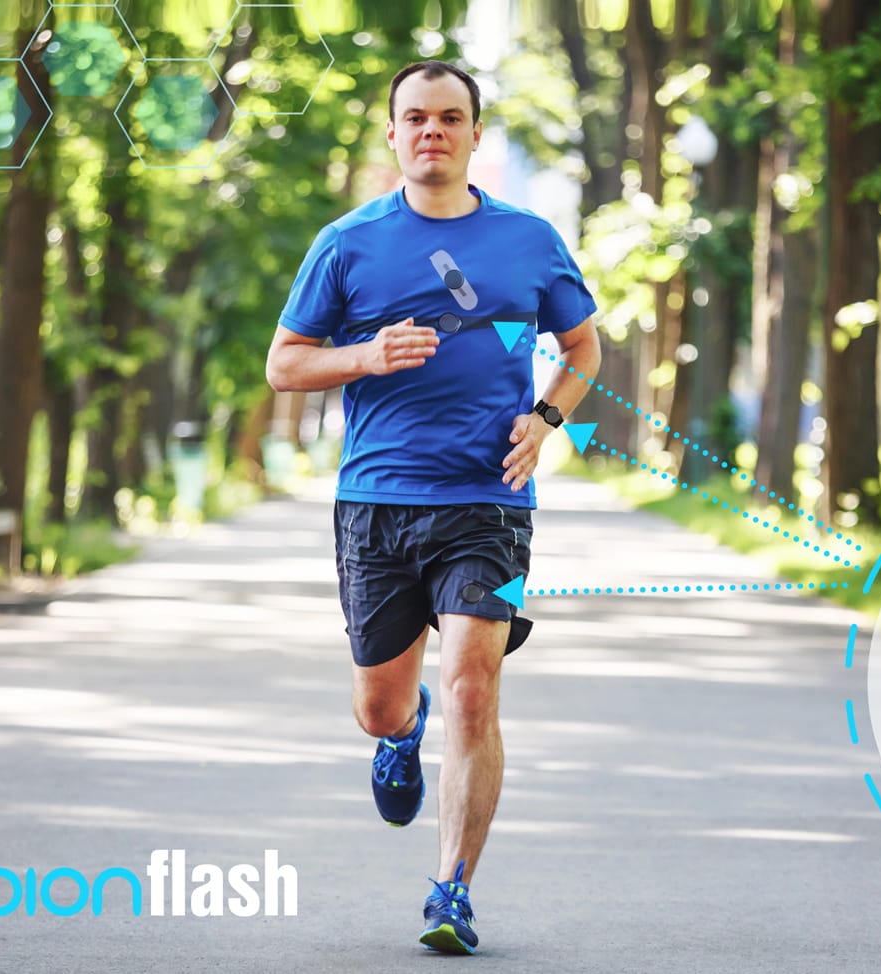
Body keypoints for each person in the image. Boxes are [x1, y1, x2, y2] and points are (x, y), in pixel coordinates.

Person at [264, 59, 602, 955]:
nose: (432, 132)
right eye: (415, 117)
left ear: (475, 134)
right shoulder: (348, 243)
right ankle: (398, 732)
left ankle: (451, 890)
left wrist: (546, 418)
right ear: (392, 133)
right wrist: (366, 358)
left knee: (474, 688)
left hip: (487, 500)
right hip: (376, 500)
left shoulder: (528, 240)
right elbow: (286, 363)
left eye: (450, 118)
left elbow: (582, 346)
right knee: (383, 703)